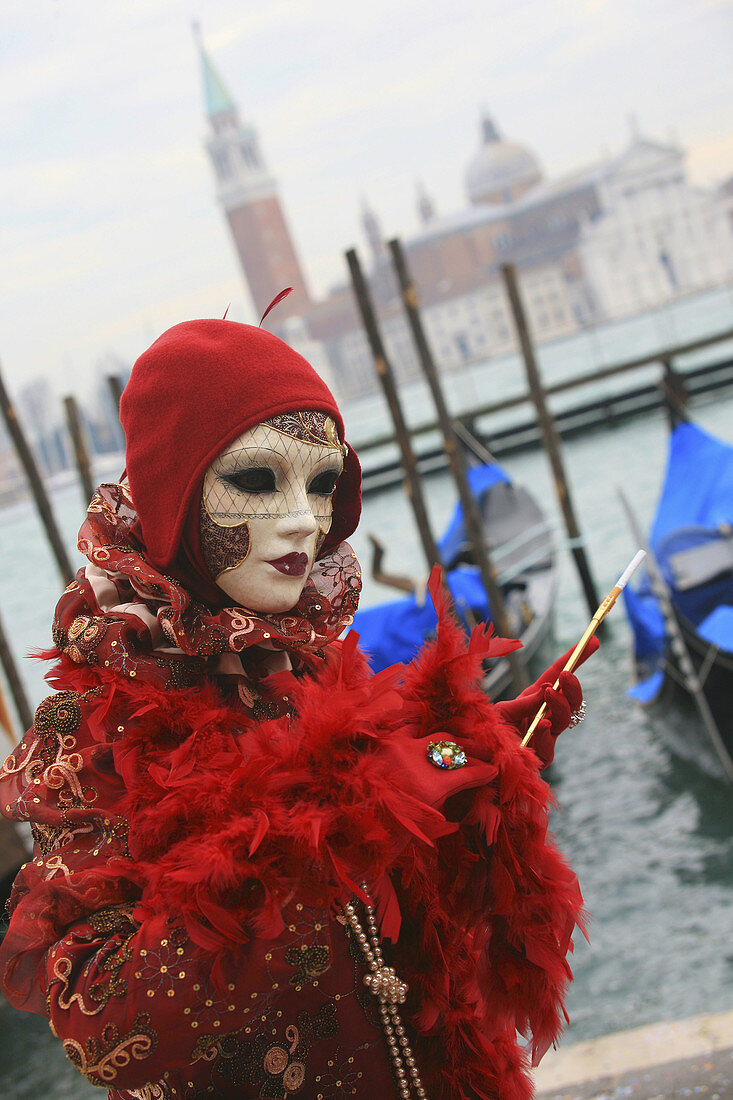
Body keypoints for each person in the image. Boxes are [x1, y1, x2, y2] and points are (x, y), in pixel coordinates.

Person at [0, 319, 597, 1100]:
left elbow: (399, 931)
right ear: (172, 493)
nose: (303, 521)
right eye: (256, 481)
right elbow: (107, 1033)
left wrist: (477, 761)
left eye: (321, 485)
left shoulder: (313, 667)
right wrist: (335, 834)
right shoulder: (90, 733)